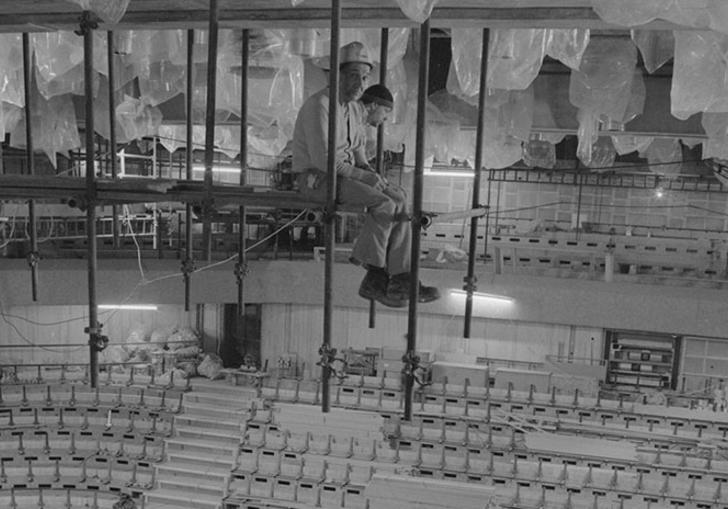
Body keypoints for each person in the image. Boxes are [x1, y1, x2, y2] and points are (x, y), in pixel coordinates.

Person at [292, 41, 439, 308]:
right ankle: (374, 274)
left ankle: (402, 277)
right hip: (316, 179)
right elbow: (324, 161)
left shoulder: (351, 110)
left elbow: (358, 157)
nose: (360, 83)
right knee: (383, 203)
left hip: (342, 177)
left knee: (400, 199)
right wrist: (367, 179)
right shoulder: (320, 106)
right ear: (336, 75)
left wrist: (378, 178)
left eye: (364, 77)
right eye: (353, 76)